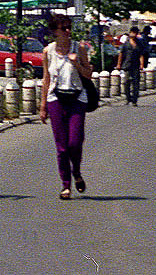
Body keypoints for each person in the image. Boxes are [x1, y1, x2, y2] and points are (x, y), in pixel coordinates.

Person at [39, 14, 93, 199]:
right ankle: (65, 184)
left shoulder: (79, 48)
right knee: (61, 146)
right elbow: (46, 78)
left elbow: (88, 74)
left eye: (69, 27)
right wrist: (43, 106)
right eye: (64, 28)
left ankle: (76, 172)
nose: (68, 31)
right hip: (56, 98)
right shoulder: (48, 51)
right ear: (55, 31)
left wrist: (76, 63)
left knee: (75, 142)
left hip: (77, 98)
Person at [118, 25, 146, 105]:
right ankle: (127, 98)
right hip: (127, 65)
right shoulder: (126, 44)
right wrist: (119, 64)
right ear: (130, 33)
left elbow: (141, 55)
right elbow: (121, 54)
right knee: (126, 82)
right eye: (133, 32)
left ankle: (134, 100)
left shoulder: (139, 44)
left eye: (135, 33)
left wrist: (141, 64)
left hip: (136, 65)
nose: (134, 34)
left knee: (136, 83)